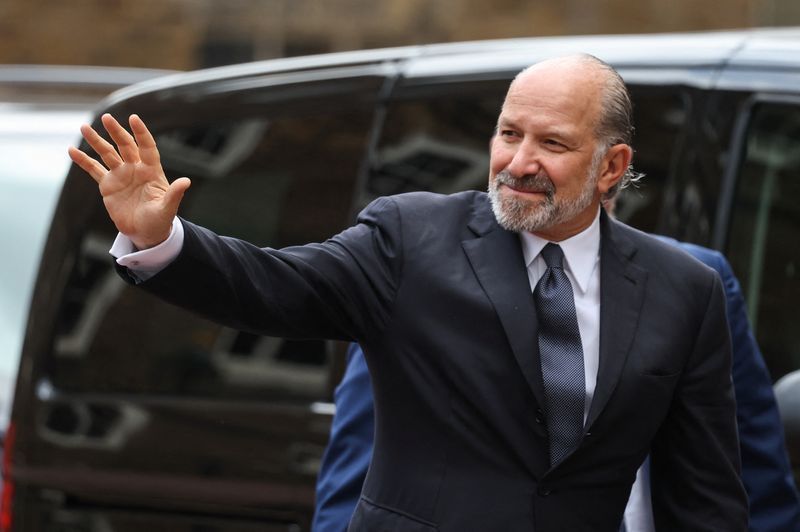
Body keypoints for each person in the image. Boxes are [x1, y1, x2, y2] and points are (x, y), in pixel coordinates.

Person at [69, 54, 748, 530]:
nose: (518, 163)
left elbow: (707, 499)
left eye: (552, 143)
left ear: (612, 167)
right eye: (509, 134)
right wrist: (164, 237)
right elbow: (274, 286)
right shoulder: (412, 237)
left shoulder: (684, 290)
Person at [314, 241, 800, 532]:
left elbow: (752, 485)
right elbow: (357, 492)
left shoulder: (693, 285)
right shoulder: (417, 281)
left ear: (612, 170)